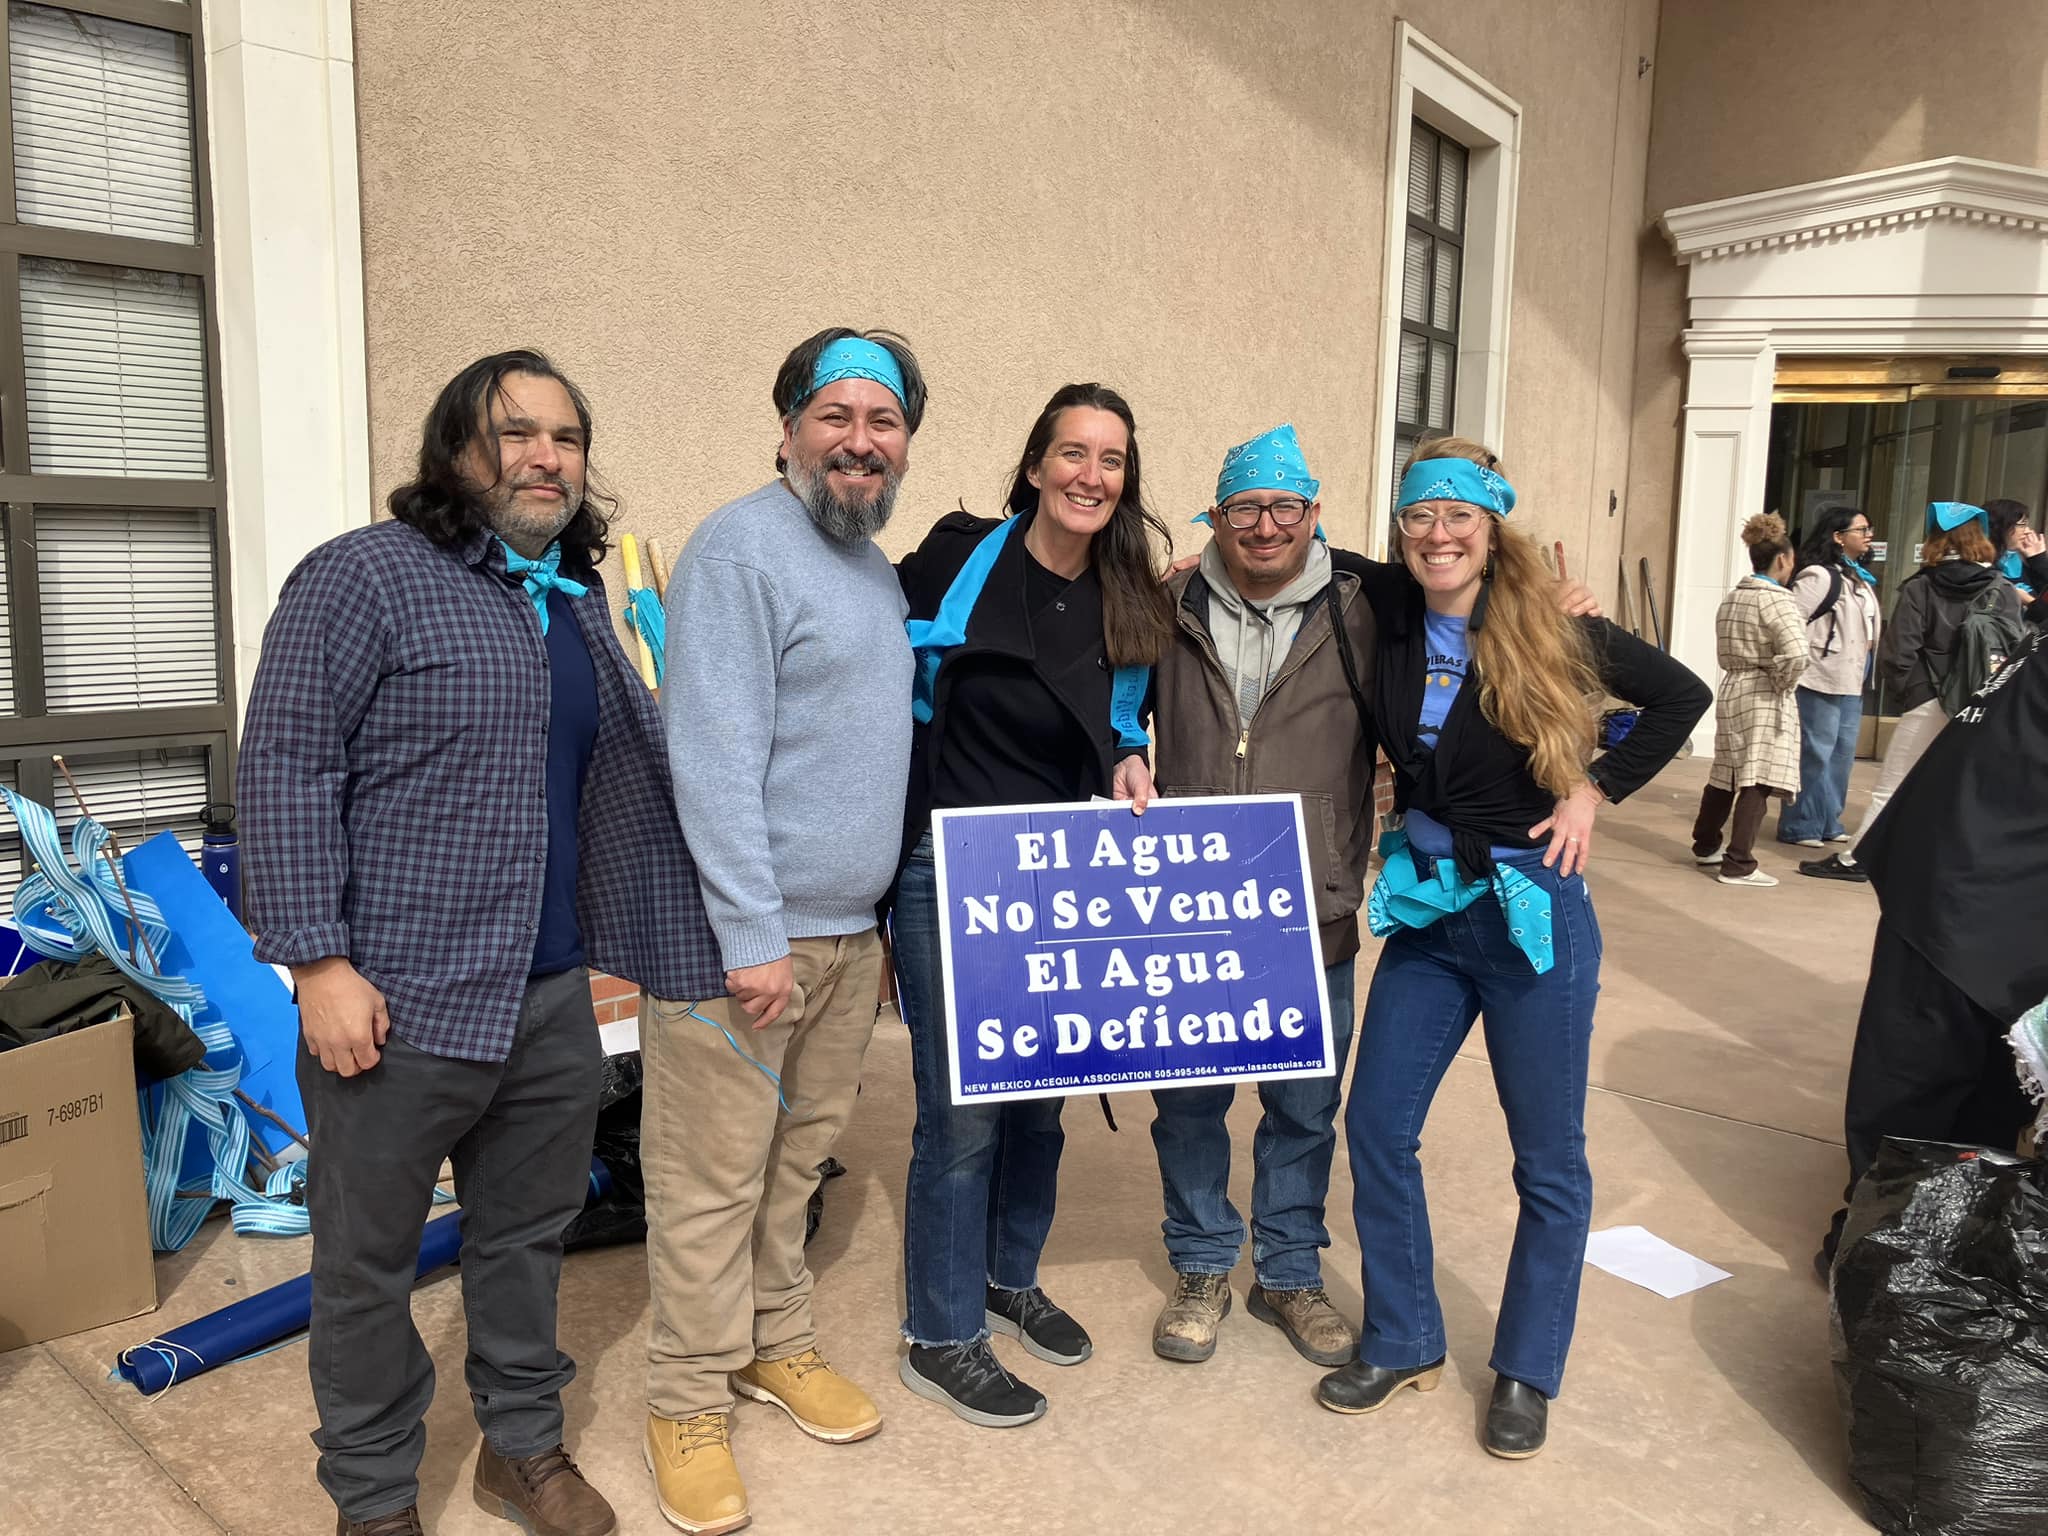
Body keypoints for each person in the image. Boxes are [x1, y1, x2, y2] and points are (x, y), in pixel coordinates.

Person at [241, 350, 727, 1536]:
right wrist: (316, 962)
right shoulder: (365, 577)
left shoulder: (565, 600)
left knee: (525, 1238)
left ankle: (521, 1447)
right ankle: (371, 1499)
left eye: (565, 436)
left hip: (551, 999)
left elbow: (616, 781)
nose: (545, 456)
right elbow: (286, 763)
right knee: (366, 1268)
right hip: (394, 1005)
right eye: (515, 433)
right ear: (456, 450)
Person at [1316, 438, 1708, 1459]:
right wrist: (1194, 565)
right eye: (1417, 517)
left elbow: (1678, 699)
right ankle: (1402, 1335)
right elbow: (1287, 548)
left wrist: (1593, 786)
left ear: (1490, 527)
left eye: (1457, 518)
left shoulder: (1552, 623)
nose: (1436, 535)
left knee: (1546, 1160)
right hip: (1432, 915)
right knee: (1376, 1124)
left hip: (1533, 916)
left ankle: (1526, 1370)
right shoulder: (1390, 607)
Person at [641, 329, 924, 1536]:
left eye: (883, 422)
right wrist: (750, 932)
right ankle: (683, 1399)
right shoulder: (738, 551)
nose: (859, 441)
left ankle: (774, 1343)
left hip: (847, 937)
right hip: (747, 946)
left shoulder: (873, 567)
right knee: (708, 1181)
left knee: (793, 1168)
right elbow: (709, 756)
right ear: (789, 426)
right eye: (835, 416)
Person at [891, 382, 1174, 1428]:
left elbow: (1124, 719)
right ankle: (939, 1333)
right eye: (1071, 452)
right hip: (946, 871)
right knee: (959, 1119)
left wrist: (1134, 755)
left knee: (1041, 1101)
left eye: (1109, 460)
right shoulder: (954, 559)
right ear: (1034, 465)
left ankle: (1008, 1277)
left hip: (1060, 878)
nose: (1089, 475)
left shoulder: (1131, 593)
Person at [1144, 425, 1376, 1369]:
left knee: (1304, 1109)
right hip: (1192, 912)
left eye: (1287, 508)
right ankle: (1203, 1264)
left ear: (1314, 515)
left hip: (1310, 910)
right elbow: (1117, 709)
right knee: (1189, 1106)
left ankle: (1287, 1273)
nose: (1267, 526)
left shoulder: (1367, 611)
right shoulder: (1168, 605)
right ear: (1219, 517)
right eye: (1247, 509)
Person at [1817, 625, 2048, 1276]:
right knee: (1919, 1084)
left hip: (1974, 874)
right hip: (1972, 887)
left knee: (1987, 1083)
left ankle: (1940, 1233)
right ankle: (1876, 1248)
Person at [1800, 502, 2022, 884]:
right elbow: (2017, 650)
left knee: (1893, 783)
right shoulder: (2001, 590)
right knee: (1961, 786)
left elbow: (1898, 650)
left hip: (1928, 698)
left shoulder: (1922, 585)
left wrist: (1914, 693)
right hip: (1980, 703)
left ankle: (1856, 859)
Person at [1690, 513, 1805, 887]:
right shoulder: (1779, 601)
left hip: (1732, 686)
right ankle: (1739, 862)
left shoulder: (1734, 598)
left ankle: (1706, 844)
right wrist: (1782, 681)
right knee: (1758, 775)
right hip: (1762, 690)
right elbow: (1798, 654)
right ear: (1783, 559)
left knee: (1726, 771)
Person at [1776, 506, 1880, 849]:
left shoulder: (1859, 578)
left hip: (1852, 675)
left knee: (1841, 753)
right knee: (1815, 751)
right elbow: (1790, 620)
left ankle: (1828, 820)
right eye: (1861, 530)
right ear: (1838, 537)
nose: (1868, 536)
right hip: (1820, 674)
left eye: (1868, 530)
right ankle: (1800, 824)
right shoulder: (1819, 576)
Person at [1985, 497, 2047, 623]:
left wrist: (2038, 559)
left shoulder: (2017, 560)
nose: (2028, 531)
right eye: (2022, 525)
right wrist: (2030, 602)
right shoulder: (1984, 567)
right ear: (2001, 527)